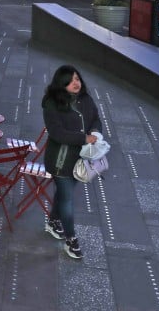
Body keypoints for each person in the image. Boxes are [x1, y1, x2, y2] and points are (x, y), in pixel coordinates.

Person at [42, 64, 103, 260]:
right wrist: (83, 138)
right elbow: (57, 133)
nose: (75, 83)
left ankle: (52, 222)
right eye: (70, 81)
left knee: (63, 193)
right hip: (61, 160)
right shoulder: (51, 104)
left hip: (81, 159)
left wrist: (94, 132)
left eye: (77, 79)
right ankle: (71, 240)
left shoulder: (85, 98)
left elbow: (95, 119)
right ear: (61, 84)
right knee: (67, 199)